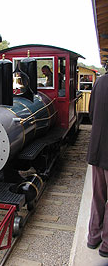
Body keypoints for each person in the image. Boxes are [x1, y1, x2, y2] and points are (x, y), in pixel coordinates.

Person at [87, 69, 108, 257]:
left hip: (98, 149)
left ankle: (93, 237)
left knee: (98, 196)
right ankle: (107, 245)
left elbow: (91, 114)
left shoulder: (100, 82)